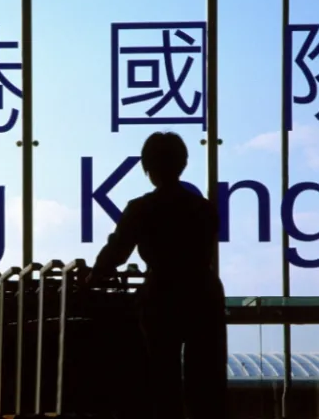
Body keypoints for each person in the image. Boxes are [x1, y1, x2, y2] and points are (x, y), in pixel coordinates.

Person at [87, 131, 228, 419]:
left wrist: (92, 278)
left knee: (163, 379)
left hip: (162, 297)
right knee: (204, 381)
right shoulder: (204, 209)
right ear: (183, 164)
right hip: (203, 295)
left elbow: (116, 251)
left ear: (148, 169)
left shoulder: (141, 208)